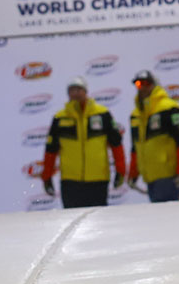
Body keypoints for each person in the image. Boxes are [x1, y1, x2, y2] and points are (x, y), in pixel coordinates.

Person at [40, 76, 125, 208]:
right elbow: (50, 151)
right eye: (72, 90)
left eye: (79, 89)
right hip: (70, 182)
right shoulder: (60, 118)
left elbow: (116, 145)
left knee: (98, 217)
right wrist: (47, 177)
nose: (75, 93)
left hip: (98, 180)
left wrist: (121, 171)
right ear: (68, 94)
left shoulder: (103, 114)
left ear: (86, 91)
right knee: (72, 217)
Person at [127, 69, 179, 203]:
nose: (143, 87)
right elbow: (135, 147)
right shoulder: (136, 115)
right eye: (138, 84)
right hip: (150, 177)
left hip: (168, 175)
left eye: (147, 83)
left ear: (154, 85)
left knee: (167, 214)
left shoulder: (169, 108)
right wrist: (133, 173)